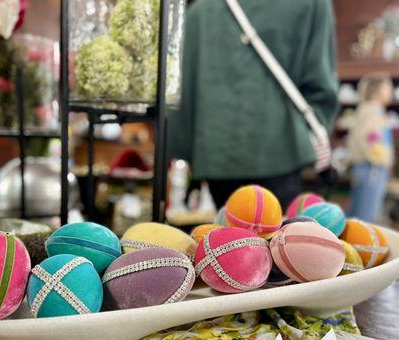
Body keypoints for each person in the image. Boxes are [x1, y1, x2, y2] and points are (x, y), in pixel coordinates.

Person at [169, 0, 339, 209]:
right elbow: (321, 82)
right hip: (281, 149)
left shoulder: (200, 11)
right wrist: (310, 134)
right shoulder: (312, 4)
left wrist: (191, 156)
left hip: (216, 154)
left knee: (227, 236)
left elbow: (181, 97)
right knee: (281, 236)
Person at [347, 73, 394, 222]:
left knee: (361, 213)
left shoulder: (372, 110)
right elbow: (368, 141)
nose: (391, 92)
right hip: (371, 170)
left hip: (370, 169)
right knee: (366, 217)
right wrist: (381, 160)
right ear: (377, 90)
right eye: (388, 88)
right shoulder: (372, 111)